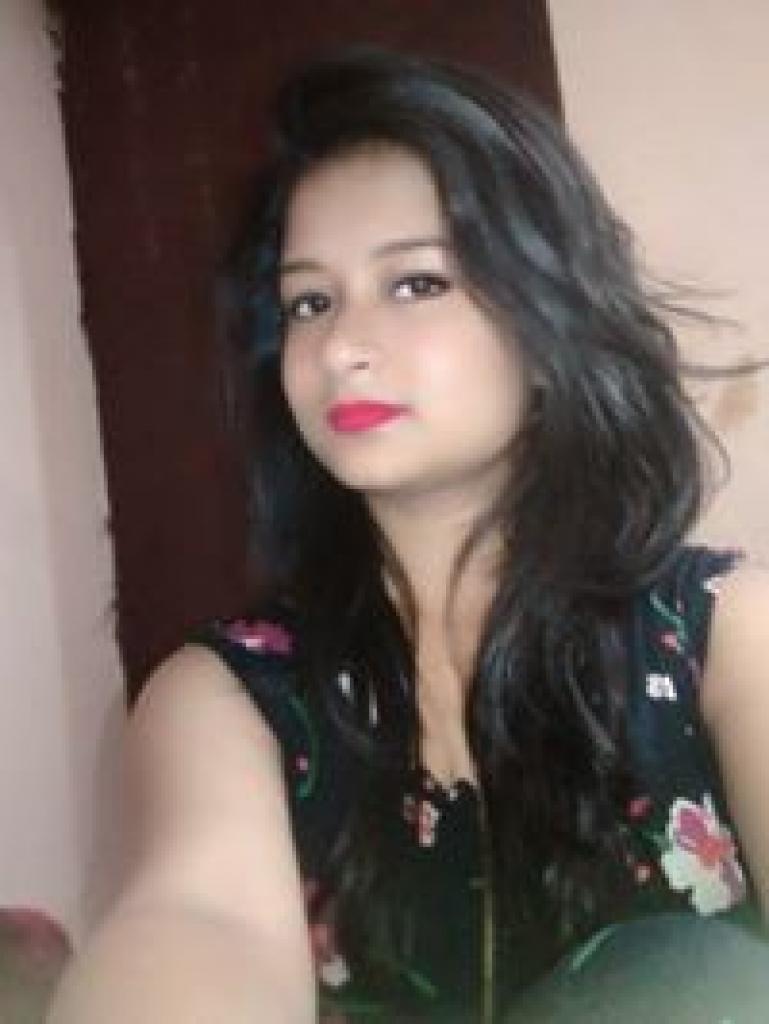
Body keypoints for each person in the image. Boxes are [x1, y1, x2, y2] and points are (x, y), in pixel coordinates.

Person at [49, 47, 769, 1023]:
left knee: (685, 971)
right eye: (309, 302)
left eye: (416, 283)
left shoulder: (722, 634)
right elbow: (197, 921)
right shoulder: (226, 698)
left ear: (546, 328)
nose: (340, 346)